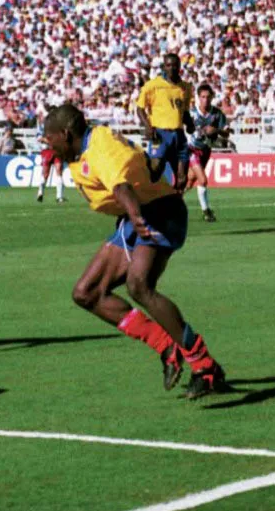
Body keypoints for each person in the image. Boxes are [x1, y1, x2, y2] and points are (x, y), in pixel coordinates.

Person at [42, 104, 228, 400]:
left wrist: (137, 218)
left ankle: (205, 367)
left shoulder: (99, 145)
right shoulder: (87, 149)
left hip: (159, 212)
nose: (46, 145)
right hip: (136, 216)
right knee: (87, 293)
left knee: (139, 286)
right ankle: (166, 347)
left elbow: (121, 186)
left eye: (48, 139)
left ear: (65, 134)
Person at [136, 53, 195, 189]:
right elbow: (140, 108)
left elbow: (184, 111)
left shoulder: (185, 87)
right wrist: (147, 126)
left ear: (180, 67)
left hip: (179, 135)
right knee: (155, 171)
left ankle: (171, 206)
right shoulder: (153, 85)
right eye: (168, 65)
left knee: (182, 179)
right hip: (160, 134)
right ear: (164, 67)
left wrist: (190, 124)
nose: (172, 68)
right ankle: (143, 194)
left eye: (175, 65)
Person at [187, 83, 229, 222]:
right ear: (198, 98)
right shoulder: (192, 113)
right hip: (192, 149)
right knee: (203, 180)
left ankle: (171, 204)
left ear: (212, 98)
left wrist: (216, 130)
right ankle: (206, 211)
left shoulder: (217, 114)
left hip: (206, 151)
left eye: (208, 97)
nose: (205, 100)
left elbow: (227, 133)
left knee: (189, 182)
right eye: (203, 97)